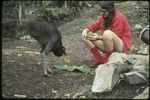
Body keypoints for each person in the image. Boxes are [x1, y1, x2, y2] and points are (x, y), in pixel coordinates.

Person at [81, 1, 132, 68]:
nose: (102, 13)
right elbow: (94, 26)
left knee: (107, 33)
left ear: (110, 10)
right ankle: (99, 58)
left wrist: (98, 37)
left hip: (121, 47)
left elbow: (116, 34)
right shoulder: (103, 17)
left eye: (104, 11)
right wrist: (86, 30)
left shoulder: (119, 17)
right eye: (101, 11)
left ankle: (109, 60)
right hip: (109, 44)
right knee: (84, 36)